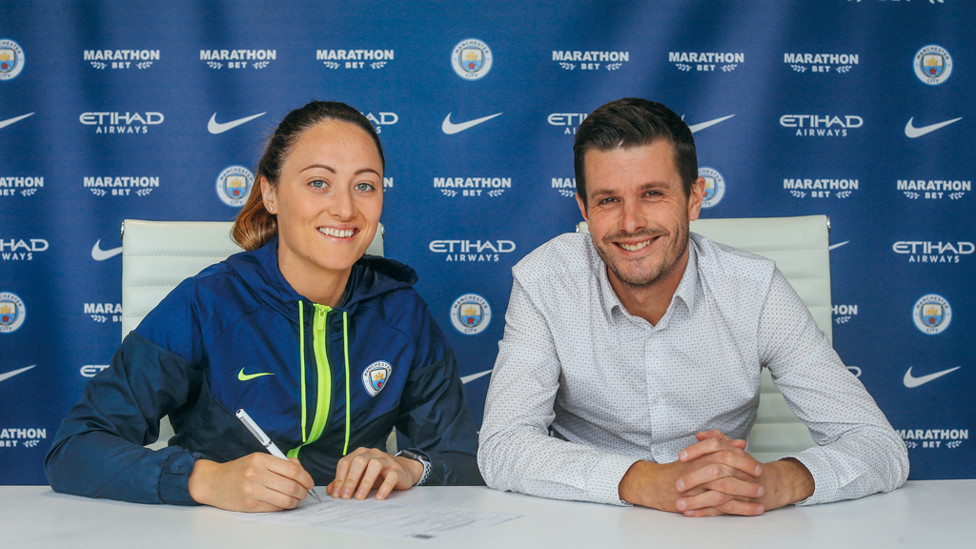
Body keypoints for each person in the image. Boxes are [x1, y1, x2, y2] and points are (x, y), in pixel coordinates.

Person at [477, 98, 908, 517]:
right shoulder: (544, 283)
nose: (631, 223)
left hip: (725, 526)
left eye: (652, 193)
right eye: (608, 200)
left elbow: (879, 445)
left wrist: (772, 482)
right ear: (584, 209)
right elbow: (502, 445)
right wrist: (644, 481)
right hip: (593, 523)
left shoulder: (756, 290)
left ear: (694, 198)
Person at [46, 101, 482, 512]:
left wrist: (409, 467)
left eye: (364, 186)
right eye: (318, 183)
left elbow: (461, 458)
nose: (345, 208)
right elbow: (75, 447)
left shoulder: (402, 313)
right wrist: (204, 480)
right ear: (270, 194)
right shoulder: (206, 303)